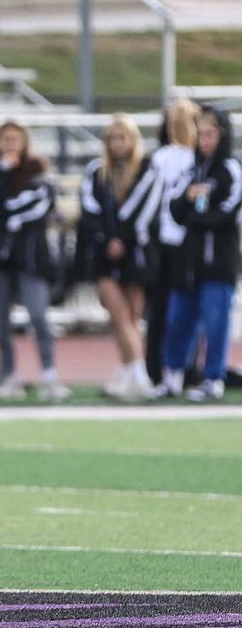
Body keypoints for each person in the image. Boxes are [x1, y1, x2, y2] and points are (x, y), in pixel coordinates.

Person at [0, 121, 68, 403]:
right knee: (1, 321)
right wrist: (2, 174)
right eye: (6, 139)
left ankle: (49, 376)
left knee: (38, 316)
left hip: (30, 257)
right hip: (0, 257)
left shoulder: (37, 171)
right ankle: (8, 377)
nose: (11, 144)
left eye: (16, 139)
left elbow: (36, 206)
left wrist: (0, 212)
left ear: (25, 142)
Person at [77, 114, 161, 402]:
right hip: (105, 254)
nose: (117, 143)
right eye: (112, 138)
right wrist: (106, 238)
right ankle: (138, 372)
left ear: (133, 140)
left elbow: (144, 209)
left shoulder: (147, 169)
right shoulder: (97, 171)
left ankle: (128, 371)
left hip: (135, 251)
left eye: (122, 137)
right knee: (118, 313)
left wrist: (122, 239)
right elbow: (89, 209)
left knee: (131, 317)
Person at [162, 105, 240, 402]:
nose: (205, 141)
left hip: (218, 262)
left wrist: (197, 214)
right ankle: (173, 377)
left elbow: (227, 213)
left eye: (211, 134)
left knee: (215, 323)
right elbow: (175, 209)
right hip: (189, 262)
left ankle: (213, 378)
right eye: (202, 134)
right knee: (178, 320)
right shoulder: (192, 169)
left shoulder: (231, 170)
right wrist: (188, 198)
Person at [146, 98, 200, 389]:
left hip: (162, 241)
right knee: (184, 310)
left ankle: (158, 371)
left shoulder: (159, 158)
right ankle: (183, 369)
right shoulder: (194, 161)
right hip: (183, 243)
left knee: (160, 311)